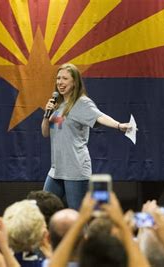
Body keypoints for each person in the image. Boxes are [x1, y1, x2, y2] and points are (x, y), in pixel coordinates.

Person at [41, 63, 131, 209]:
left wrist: (119, 125)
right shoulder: (58, 105)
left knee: (78, 215)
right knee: (44, 208)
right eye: (58, 78)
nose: (60, 82)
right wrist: (47, 115)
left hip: (75, 169)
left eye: (64, 78)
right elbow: (45, 133)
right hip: (56, 169)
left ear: (74, 82)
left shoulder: (82, 103)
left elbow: (100, 117)